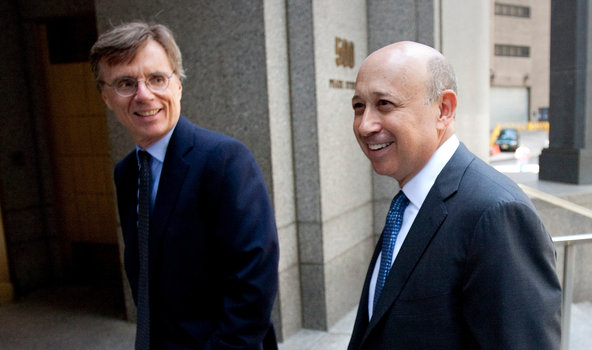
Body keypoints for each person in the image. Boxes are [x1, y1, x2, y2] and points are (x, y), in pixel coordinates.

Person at [348, 41, 561, 349]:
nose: (365, 125)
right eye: (358, 106)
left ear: (443, 110)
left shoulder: (496, 214)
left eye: (384, 104)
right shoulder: (406, 203)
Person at [90, 22, 279, 350]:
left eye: (157, 78)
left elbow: (254, 282)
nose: (143, 94)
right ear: (106, 97)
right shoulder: (127, 173)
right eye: (125, 83)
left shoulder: (224, 160)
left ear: (178, 84)